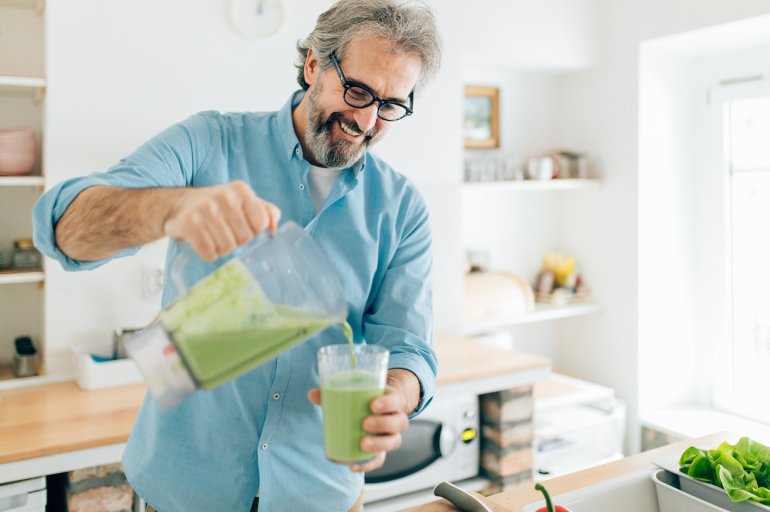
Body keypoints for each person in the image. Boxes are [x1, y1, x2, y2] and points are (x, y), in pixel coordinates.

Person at [32, 0, 441, 511]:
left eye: (390, 106)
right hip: (184, 489)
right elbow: (62, 227)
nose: (365, 119)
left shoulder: (402, 209)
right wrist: (168, 208)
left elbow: (409, 349)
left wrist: (394, 398)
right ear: (314, 63)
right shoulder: (210, 142)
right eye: (356, 90)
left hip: (318, 495)